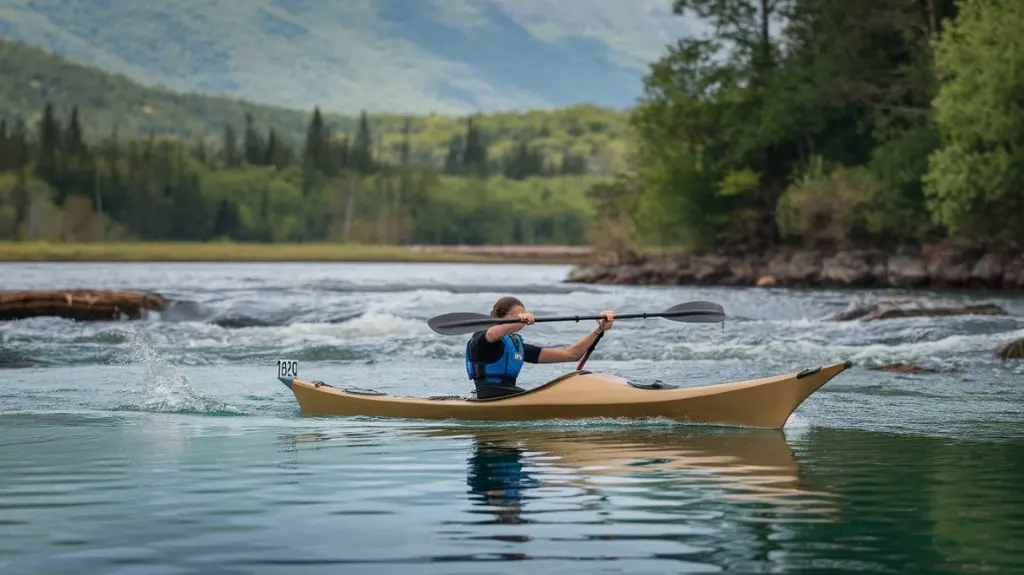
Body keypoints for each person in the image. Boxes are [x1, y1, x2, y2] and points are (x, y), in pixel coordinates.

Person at [465, 296, 615, 399]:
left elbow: (571, 354)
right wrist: (520, 321)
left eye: (522, 317)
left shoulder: (517, 346)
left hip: (512, 395)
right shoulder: (481, 340)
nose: (521, 323)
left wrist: (599, 330)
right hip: (488, 396)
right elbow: (492, 334)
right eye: (518, 316)